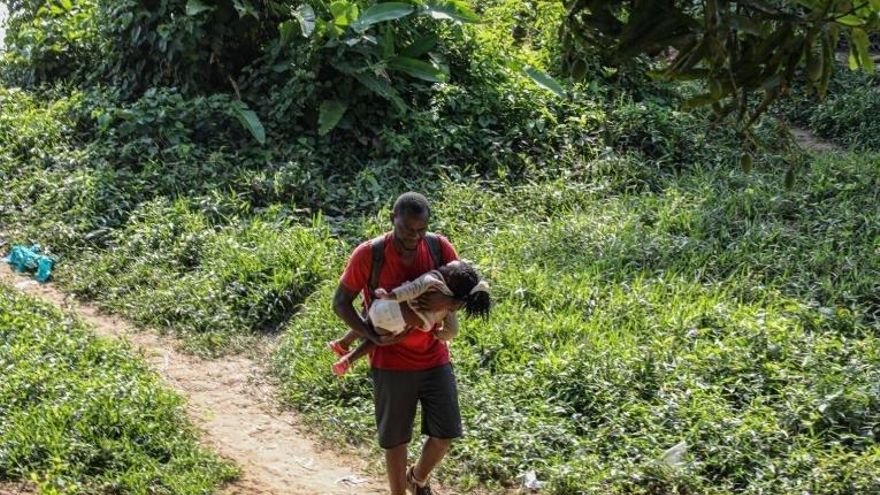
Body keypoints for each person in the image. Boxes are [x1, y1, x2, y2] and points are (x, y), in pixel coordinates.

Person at [332, 192, 465, 495]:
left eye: (421, 230)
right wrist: (370, 334)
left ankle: (416, 479)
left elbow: (463, 288)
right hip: (390, 361)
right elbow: (340, 302)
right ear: (393, 220)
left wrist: (449, 300)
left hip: (434, 357)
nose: (414, 237)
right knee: (396, 441)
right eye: (407, 230)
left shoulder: (438, 247)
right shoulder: (369, 254)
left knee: (445, 434)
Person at [330, 259, 491, 376]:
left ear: (449, 279)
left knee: (367, 325)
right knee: (375, 338)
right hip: (396, 324)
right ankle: (348, 360)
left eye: (445, 267)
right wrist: (439, 335)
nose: (442, 265)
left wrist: (390, 295)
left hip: (387, 307)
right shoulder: (450, 307)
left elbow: (411, 289)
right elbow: (453, 330)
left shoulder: (432, 280)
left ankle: (343, 343)